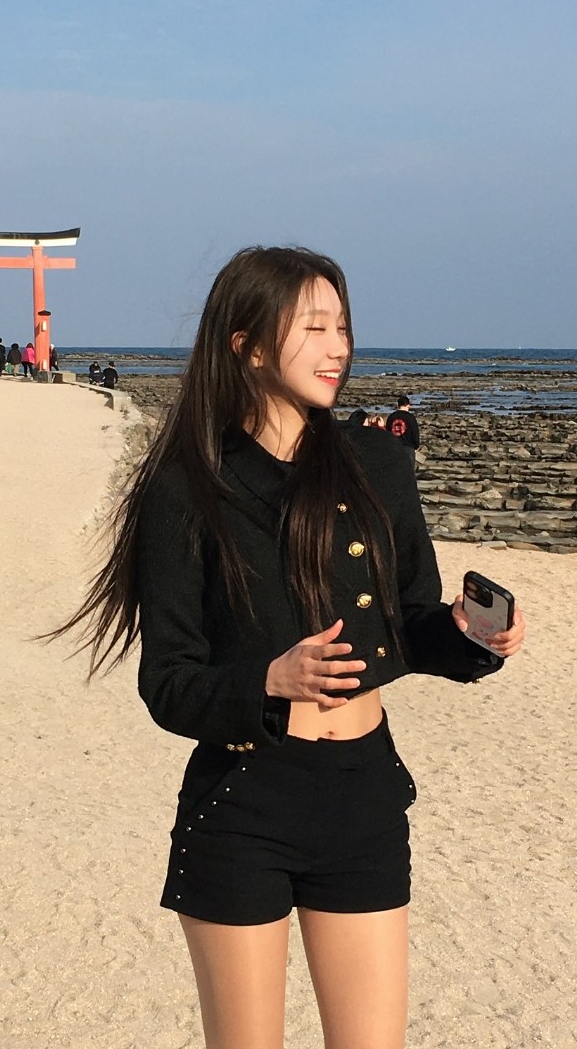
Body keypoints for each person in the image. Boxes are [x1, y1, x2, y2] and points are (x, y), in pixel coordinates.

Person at [49, 246, 526, 1048]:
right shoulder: (187, 485)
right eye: (313, 327)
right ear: (248, 346)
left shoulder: (378, 462)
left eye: (342, 326)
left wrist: (470, 636)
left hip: (363, 794)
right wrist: (268, 680)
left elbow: (407, 624)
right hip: (244, 797)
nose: (337, 347)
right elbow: (168, 682)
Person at [385, 394, 420, 465]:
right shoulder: (410, 417)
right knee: (409, 470)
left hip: (394, 447)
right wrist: (416, 445)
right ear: (408, 405)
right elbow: (415, 433)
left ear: (398, 405)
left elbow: (387, 433)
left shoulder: (391, 417)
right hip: (408, 448)